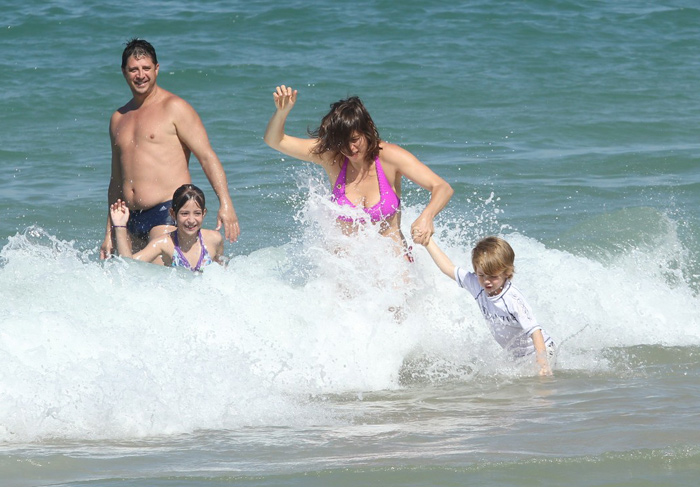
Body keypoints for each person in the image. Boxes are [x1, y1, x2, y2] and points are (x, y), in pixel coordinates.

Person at [264, 85, 453, 259]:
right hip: (348, 272)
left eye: (355, 139)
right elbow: (275, 141)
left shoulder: (390, 157)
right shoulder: (332, 158)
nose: (349, 149)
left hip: (392, 270)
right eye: (341, 142)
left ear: (367, 129)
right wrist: (282, 112)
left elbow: (442, 187)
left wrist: (426, 217)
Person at [101, 38, 239, 262]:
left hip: (165, 212)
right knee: (129, 281)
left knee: (162, 282)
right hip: (127, 216)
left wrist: (226, 203)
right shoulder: (118, 118)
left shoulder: (174, 108)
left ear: (157, 69)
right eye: (133, 70)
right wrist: (109, 232)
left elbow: (206, 156)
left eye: (146, 68)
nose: (140, 75)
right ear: (124, 72)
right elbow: (116, 180)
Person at [421, 235, 555, 376]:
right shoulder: (475, 284)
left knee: (538, 389)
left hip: (541, 350)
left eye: (493, 276)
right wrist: (428, 241)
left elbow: (535, 331)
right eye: (482, 275)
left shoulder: (513, 299)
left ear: (507, 273)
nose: (486, 281)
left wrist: (543, 364)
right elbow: (448, 267)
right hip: (517, 357)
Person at [109, 184, 223, 271]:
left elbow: (222, 272)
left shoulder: (214, 239)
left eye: (197, 213)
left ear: (204, 213)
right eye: (184, 214)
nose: (191, 220)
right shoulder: (164, 244)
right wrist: (120, 226)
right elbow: (128, 265)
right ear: (173, 214)